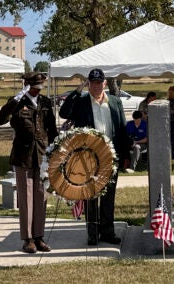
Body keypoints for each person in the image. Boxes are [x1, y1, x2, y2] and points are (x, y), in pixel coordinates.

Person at [59, 68, 129, 245]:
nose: (96, 86)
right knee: (91, 195)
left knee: (108, 195)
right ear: (88, 84)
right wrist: (77, 92)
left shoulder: (114, 101)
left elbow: (121, 129)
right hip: (88, 157)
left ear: (104, 83)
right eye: (93, 83)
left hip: (110, 156)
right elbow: (64, 113)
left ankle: (108, 231)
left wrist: (125, 153)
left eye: (99, 83)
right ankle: (92, 232)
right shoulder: (81, 101)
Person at [0, 72, 58, 253]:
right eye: (34, 86)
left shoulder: (45, 102)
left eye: (40, 86)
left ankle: (39, 236)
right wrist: (15, 101)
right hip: (23, 156)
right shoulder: (17, 102)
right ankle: (28, 238)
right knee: (26, 198)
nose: (38, 89)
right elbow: (0, 120)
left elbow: (51, 129)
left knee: (41, 197)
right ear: (27, 85)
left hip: (42, 155)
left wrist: (56, 150)